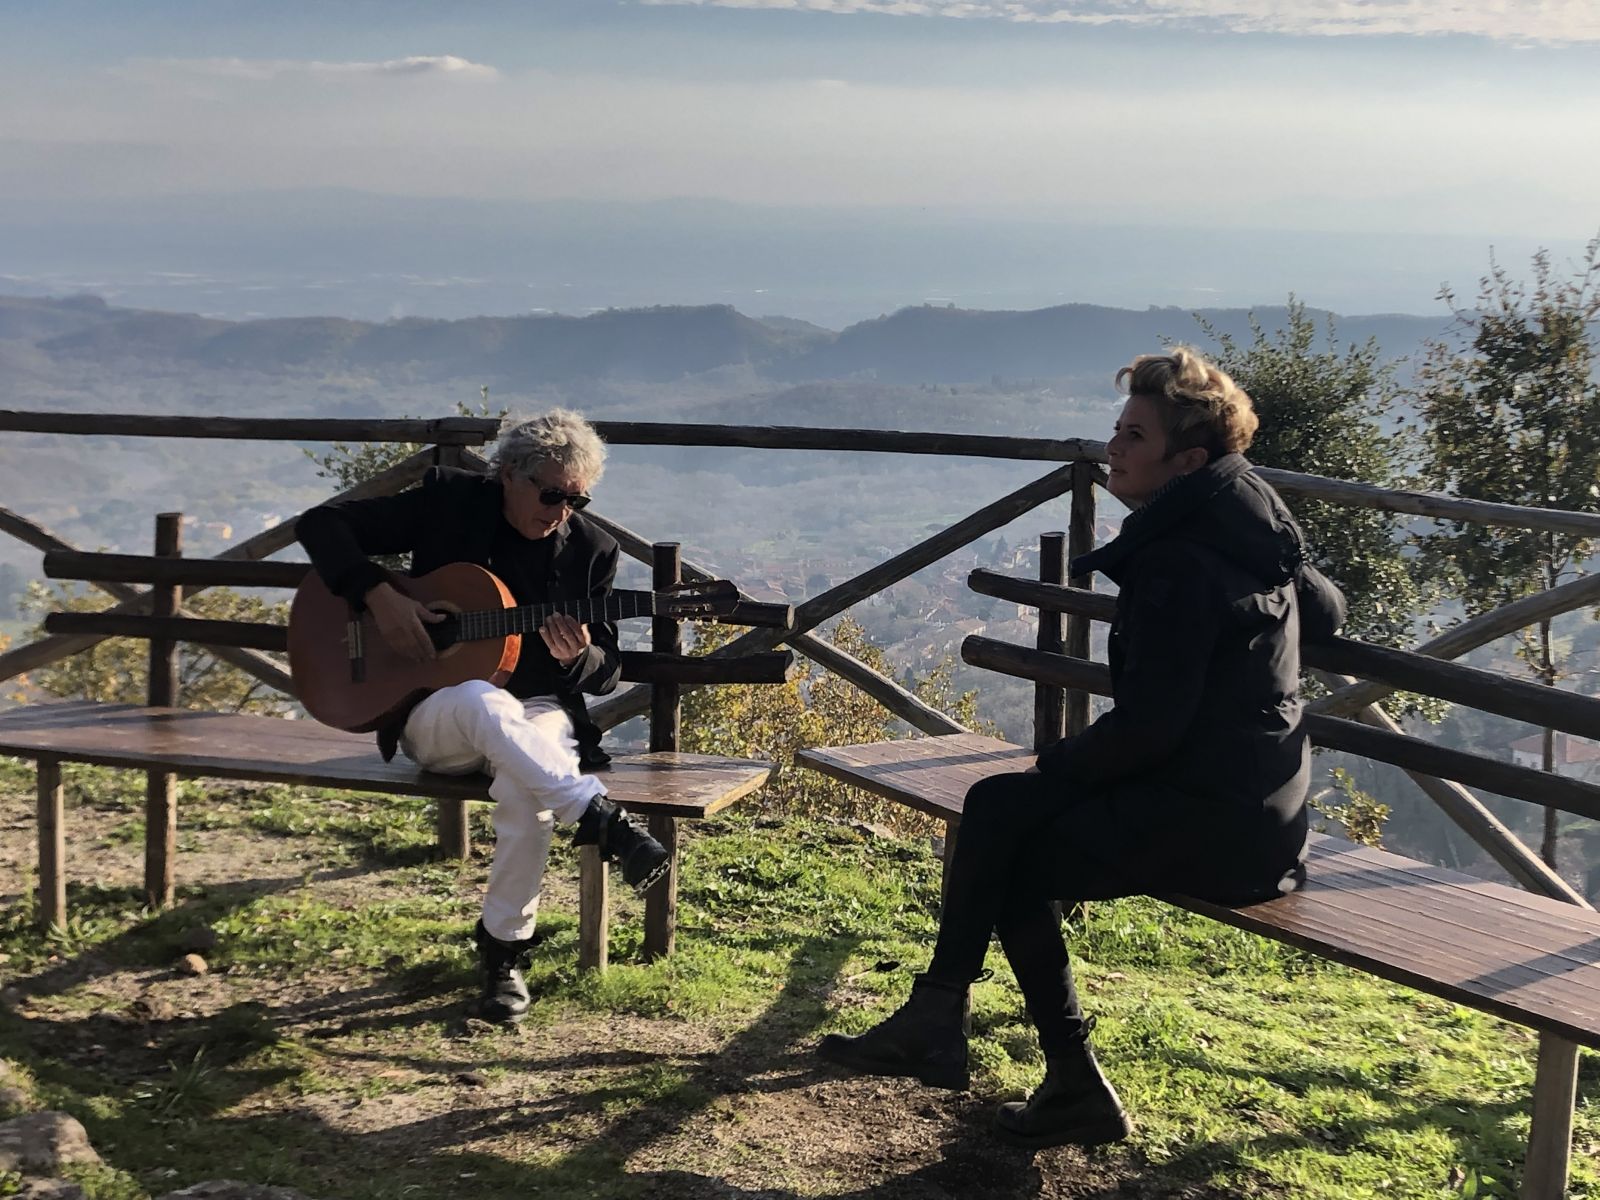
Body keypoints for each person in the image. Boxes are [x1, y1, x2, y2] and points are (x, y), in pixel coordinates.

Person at [816, 348, 1347, 1148]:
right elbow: (1328, 614)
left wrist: (1053, 774)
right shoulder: (1243, 515)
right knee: (1003, 823)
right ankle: (1012, 1054)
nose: (1112, 448)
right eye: (1116, 428)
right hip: (1258, 809)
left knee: (1003, 825)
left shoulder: (1179, 560)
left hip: (1216, 820)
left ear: (1187, 461)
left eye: (1134, 435)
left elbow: (1149, 728)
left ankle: (968, 1029)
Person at [296, 408, 669, 1023]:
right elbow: (322, 523)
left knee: (530, 791)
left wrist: (577, 658)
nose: (562, 511)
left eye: (577, 499)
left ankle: (505, 955)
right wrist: (379, 595)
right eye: (551, 494)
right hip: (434, 715)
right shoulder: (449, 505)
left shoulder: (591, 551)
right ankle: (599, 818)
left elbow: (607, 670)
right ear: (507, 477)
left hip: (540, 715)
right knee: (481, 698)